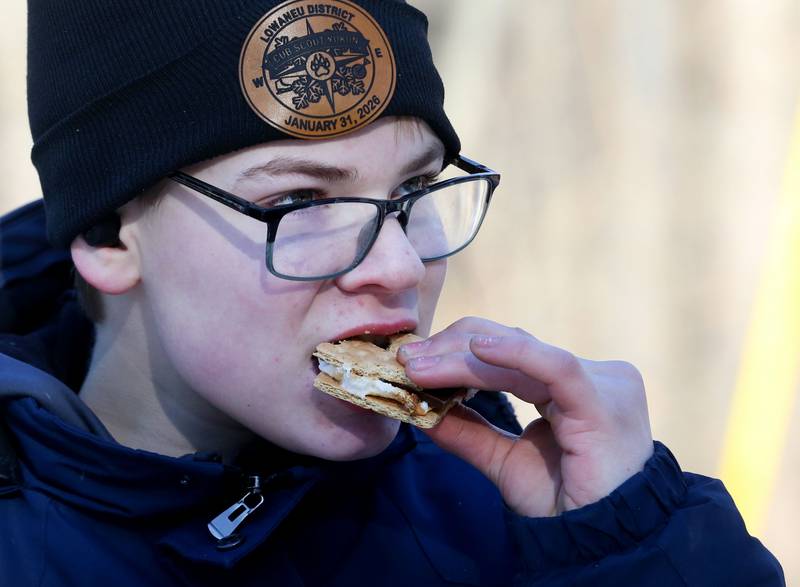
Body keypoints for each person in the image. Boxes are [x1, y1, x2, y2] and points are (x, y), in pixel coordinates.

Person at [0, 0, 785, 585]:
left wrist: (626, 542)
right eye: (300, 203)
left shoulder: (504, 515)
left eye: (412, 192)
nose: (402, 265)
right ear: (108, 235)